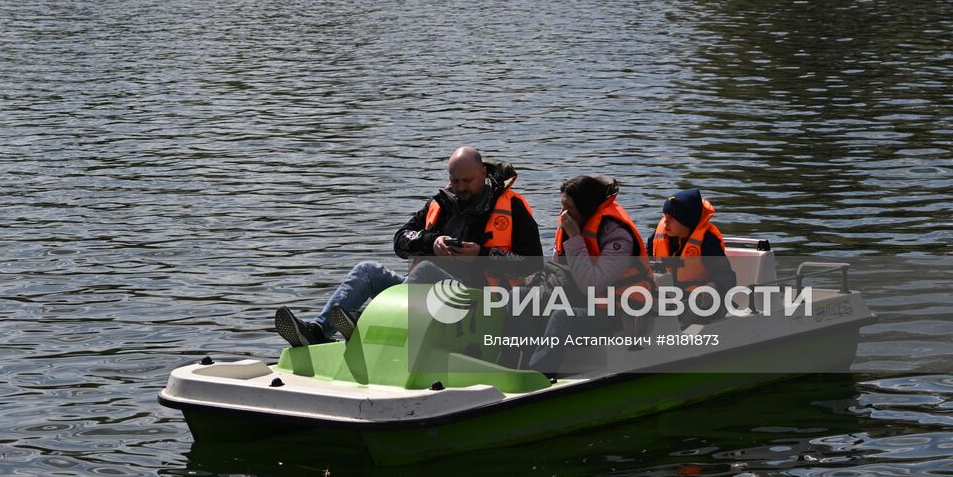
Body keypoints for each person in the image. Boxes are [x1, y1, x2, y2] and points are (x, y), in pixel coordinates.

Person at [273, 146, 542, 347]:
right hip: (424, 292)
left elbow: (533, 269)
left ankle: (365, 322)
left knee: (425, 272)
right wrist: (431, 242)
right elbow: (401, 240)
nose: (460, 188)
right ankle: (317, 333)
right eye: (454, 180)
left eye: (467, 181)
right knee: (367, 270)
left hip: (483, 304)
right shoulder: (441, 203)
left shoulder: (513, 208)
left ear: (483, 173)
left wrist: (480, 255)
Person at [529, 176, 654, 372]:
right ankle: (510, 363)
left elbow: (591, 284)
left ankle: (539, 374)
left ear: (585, 208)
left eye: (568, 208)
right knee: (522, 297)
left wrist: (575, 238)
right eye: (562, 207)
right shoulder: (574, 225)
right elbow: (561, 271)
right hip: (583, 301)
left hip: (618, 314)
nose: (563, 214)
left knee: (563, 316)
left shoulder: (618, 237)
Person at [646, 188, 736, 314]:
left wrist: (712, 287)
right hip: (667, 300)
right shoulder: (657, 237)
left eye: (672, 217)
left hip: (700, 303)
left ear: (687, 221)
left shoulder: (708, 242)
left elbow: (727, 276)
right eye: (665, 216)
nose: (665, 221)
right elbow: (644, 265)